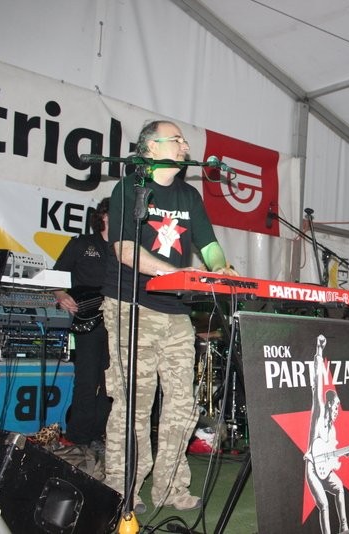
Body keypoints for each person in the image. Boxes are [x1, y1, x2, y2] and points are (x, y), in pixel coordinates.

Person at [100, 120, 236, 514]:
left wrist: (220, 269)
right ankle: (122, 489)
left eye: (183, 140)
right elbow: (126, 250)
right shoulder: (130, 188)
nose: (184, 145)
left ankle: (171, 488)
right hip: (131, 307)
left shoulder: (189, 195)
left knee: (182, 406)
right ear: (149, 148)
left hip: (176, 311)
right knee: (134, 406)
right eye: (176, 139)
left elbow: (208, 245)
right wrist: (176, 274)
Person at [53, 198, 112, 452]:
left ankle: (100, 433)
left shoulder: (126, 250)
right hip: (88, 320)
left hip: (117, 320)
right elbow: (57, 275)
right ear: (104, 216)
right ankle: (78, 436)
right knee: (87, 378)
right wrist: (60, 295)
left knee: (111, 382)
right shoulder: (82, 244)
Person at [304, 335, 349, 533]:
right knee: (324, 504)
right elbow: (318, 383)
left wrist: (346, 453)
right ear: (329, 403)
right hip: (312, 469)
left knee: (339, 488)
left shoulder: (332, 430)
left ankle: (344, 527)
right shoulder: (319, 412)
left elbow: (331, 457)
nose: (338, 410)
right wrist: (319, 350)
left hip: (325, 470)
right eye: (336, 406)